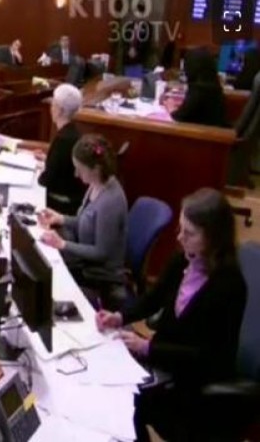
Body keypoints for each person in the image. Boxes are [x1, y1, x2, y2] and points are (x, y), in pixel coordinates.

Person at [96, 188, 247, 441]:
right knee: (109, 378)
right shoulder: (183, 260)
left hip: (193, 382)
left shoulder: (229, 285)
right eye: (180, 229)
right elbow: (152, 299)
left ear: (213, 237)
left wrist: (148, 347)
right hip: (165, 362)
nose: (180, 237)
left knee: (124, 403)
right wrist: (120, 317)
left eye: (189, 233)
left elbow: (207, 356)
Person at [38, 134, 129, 309]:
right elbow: (86, 221)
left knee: (47, 274)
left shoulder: (111, 202)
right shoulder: (96, 184)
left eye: (79, 169)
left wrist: (62, 244)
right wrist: (61, 218)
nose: (76, 174)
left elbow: (101, 252)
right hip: (84, 260)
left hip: (99, 275)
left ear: (95, 169)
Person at [36, 84, 87, 215]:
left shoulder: (63, 139)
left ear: (59, 110)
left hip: (60, 205)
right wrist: (47, 160)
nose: (51, 108)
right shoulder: (73, 132)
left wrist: (39, 171)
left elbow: (46, 180)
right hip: (72, 198)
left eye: (53, 104)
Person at [164, 47, 228, 127]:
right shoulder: (215, 87)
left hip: (197, 133)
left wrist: (171, 107)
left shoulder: (198, 90)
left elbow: (179, 117)